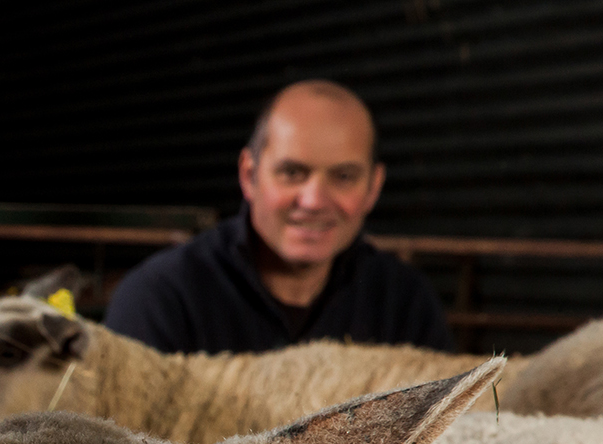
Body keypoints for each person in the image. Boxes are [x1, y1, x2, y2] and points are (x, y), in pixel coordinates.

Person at [105, 80, 454, 354]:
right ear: (248, 175)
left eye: (344, 176)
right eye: (292, 172)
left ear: (373, 187)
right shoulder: (161, 300)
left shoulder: (407, 307)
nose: (314, 200)